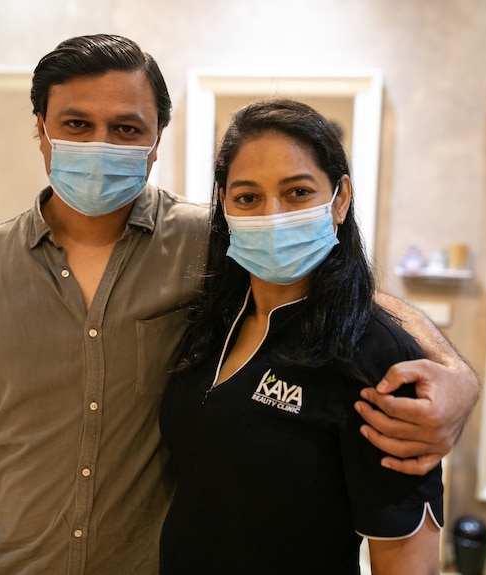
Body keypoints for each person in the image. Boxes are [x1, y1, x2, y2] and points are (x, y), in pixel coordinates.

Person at [0, 34, 475, 575]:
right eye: (77, 124)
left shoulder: (212, 240)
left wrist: (456, 376)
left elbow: (335, 290)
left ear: (156, 145)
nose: (102, 144)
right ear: (41, 129)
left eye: (127, 128)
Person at [159, 98, 442, 574]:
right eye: (248, 197)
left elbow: (408, 563)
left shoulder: (377, 356)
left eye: (297, 193)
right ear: (225, 209)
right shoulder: (209, 324)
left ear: (340, 199)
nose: (272, 215)